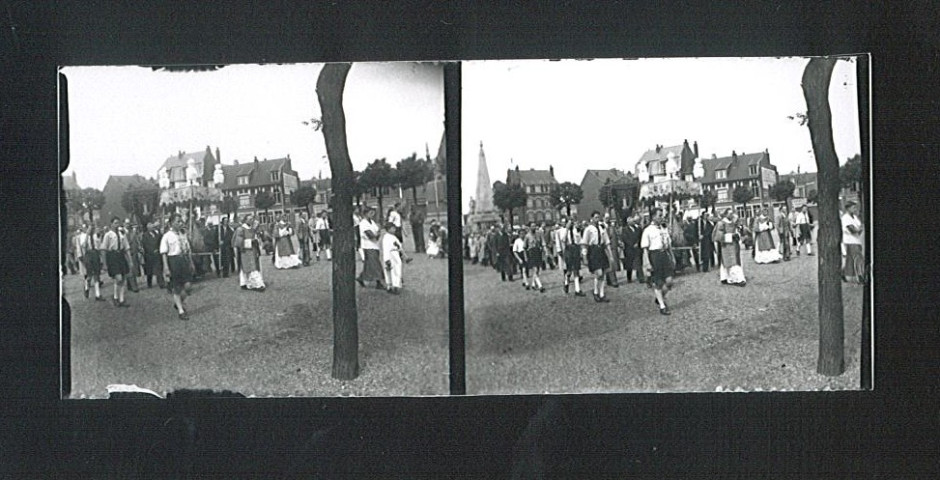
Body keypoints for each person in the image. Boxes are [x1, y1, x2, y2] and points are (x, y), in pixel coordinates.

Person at [160, 214, 194, 320]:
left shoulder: (183, 234)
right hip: (173, 261)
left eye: (181, 221)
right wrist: (166, 267)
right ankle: (181, 311)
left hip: (184, 260)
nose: (180, 223)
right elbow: (164, 253)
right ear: (171, 223)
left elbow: (188, 250)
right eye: (178, 221)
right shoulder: (167, 236)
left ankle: (178, 302)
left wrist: (191, 262)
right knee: (177, 287)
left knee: (188, 287)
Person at [641, 208, 674, 315]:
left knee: (669, 282)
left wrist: (672, 257)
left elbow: (668, 245)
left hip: (664, 254)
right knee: (658, 282)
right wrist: (647, 263)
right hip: (654, 256)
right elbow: (645, 249)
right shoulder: (648, 230)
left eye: (662, 215)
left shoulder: (664, 229)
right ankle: (662, 306)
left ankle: (659, 297)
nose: (662, 217)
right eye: (659, 215)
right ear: (653, 217)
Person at [101, 216, 132, 308]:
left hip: (120, 256)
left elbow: (127, 248)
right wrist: (104, 263)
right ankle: (115, 297)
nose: (117, 225)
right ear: (111, 224)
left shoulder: (122, 234)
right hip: (112, 256)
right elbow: (103, 249)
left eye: (118, 223)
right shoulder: (108, 235)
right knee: (118, 278)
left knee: (123, 278)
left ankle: (121, 299)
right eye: (115, 223)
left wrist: (130, 261)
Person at [581, 211, 610, 303]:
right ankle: (595, 292)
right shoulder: (588, 229)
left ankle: (602, 294)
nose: (597, 219)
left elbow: (606, 241)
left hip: (601, 250)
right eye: (596, 217)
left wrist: (610, 255)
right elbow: (584, 243)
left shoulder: (602, 228)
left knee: (603, 273)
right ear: (592, 218)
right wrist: (584, 256)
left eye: (599, 217)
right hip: (593, 251)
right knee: (599, 273)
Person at [712, 208, 746, 286]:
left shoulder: (733, 223)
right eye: (730, 214)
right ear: (725, 214)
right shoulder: (721, 223)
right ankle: (737, 279)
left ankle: (727, 277)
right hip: (726, 245)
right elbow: (719, 236)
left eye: (732, 213)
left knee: (735, 261)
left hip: (734, 245)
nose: (731, 215)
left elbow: (737, 231)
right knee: (730, 262)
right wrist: (731, 236)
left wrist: (738, 233)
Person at [233, 214, 265, 292]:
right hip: (245, 251)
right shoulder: (241, 229)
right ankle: (257, 284)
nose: (252, 221)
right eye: (250, 219)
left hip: (253, 250)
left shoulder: (252, 229)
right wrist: (251, 241)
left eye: (252, 219)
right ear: (245, 220)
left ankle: (246, 283)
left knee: (251, 267)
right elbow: (238, 242)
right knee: (250, 268)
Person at [356, 207, 386, 289]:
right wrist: (376, 234)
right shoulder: (363, 223)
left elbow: (378, 231)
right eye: (370, 213)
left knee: (369, 264)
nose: (372, 215)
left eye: (373, 213)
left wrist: (378, 234)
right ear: (365, 214)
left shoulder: (372, 222)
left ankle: (361, 277)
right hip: (368, 246)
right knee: (375, 264)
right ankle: (379, 282)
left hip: (375, 245)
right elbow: (370, 235)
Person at [381, 222, 411, 294]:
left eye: (394, 228)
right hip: (390, 254)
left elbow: (399, 247)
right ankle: (392, 286)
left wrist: (404, 256)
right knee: (392, 270)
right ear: (388, 229)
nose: (394, 229)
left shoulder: (393, 237)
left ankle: (394, 286)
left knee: (396, 269)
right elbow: (386, 249)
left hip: (395, 254)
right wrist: (387, 259)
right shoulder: (386, 237)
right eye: (392, 228)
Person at [560, 217, 586, 296]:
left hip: (575, 249)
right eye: (569, 222)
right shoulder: (563, 231)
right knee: (569, 270)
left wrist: (581, 251)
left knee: (576, 269)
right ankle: (566, 282)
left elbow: (579, 240)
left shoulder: (575, 230)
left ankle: (577, 289)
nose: (571, 224)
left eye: (572, 222)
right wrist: (567, 229)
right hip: (568, 249)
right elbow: (563, 240)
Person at [77, 224, 104, 301]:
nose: (90, 229)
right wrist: (87, 235)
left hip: (95, 254)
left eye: (92, 228)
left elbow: (98, 247)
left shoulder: (95, 236)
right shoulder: (83, 236)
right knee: (89, 275)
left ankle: (97, 294)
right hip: (88, 254)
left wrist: (99, 236)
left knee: (96, 274)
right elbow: (84, 246)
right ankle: (86, 286)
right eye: (89, 228)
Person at [841, 201, 864, 283]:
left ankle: (843, 273)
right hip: (850, 241)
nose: (855, 209)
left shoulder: (855, 217)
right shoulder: (845, 218)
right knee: (858, 258)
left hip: (856, 240)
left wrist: (858, 229)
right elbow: (852, 230)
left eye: (855, 207)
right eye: (853, 207)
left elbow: (859, 228)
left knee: (850, 259)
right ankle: (860, 276)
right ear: (848, 208)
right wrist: (858, 229)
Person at [141, 221, 165, 288]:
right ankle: (149, 283)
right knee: (149, 271)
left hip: (157, 254)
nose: (152, 228)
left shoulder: (156, 234)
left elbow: (159, 241)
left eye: (153, 227)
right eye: (151, 227)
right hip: (149, 255)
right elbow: (145, 245)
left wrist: (158, 250)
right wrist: (152, 251)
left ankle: (161, 283)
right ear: (148, 228)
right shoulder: (145, 235)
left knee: (159, 269)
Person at [524, 224, 545, 292]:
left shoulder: (539, 234)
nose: (534, 227)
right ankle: (540, 285)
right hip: (531, 252)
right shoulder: (527, 236)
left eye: (534, 226)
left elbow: (542, 243)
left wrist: (544, 250)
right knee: (535, 269)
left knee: (538, 269)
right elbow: (524, 247)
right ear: (529, 227)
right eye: (532, 226)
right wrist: (526, 257)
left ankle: (533, 284)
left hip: (538, 252)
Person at [620, 216, 641, 283]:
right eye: (631, 221)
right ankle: (629, 278)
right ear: (628, 222)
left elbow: (638, 236)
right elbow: (625, 239)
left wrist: (637, 243)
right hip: (629, 249)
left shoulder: (636, 228)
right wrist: (632, 244)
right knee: (629, 264)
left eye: (633, 221)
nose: (633, 222)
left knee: (638, 262)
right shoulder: (625, 229)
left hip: (636, 248)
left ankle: (640, 277)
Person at [605, 218, 621, 287]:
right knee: (611, 264)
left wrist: (619, 243)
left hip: (613, 248)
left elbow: (616, 237)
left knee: (612, 264)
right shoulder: (604, 228)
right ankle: (613, 280)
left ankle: (610, 280)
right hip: (608, 248)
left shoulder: (612, 228)